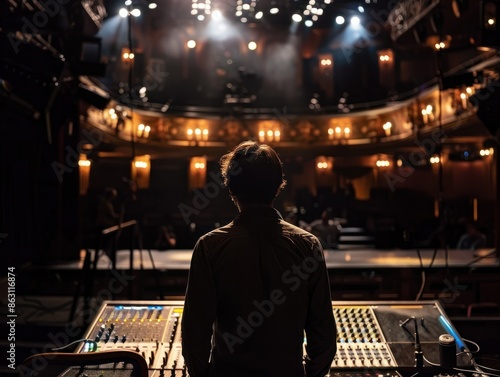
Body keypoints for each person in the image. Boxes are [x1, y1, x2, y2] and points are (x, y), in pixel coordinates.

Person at [182, 141, 336, 377]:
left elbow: (195, 336)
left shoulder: (208, 247)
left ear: (231, 190)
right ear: (277, 187)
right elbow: (324, 338)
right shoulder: (308, 246)